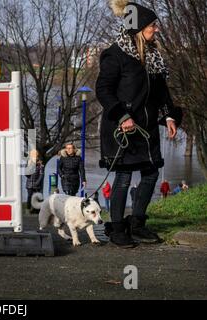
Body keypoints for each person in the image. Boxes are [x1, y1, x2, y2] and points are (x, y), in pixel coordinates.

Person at [96, 1, 182, 248]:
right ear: (139, 27)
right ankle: (118, 229)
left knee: (151, 173)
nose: (156, 29)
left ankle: (137, 224)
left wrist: (168, 116)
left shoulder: (153, 56)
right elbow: (103, 89)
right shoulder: (115, 54)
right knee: (123, 177)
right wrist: (123, 116)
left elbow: (161, 92)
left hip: (147, 128)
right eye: (153, 25)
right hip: (121, 126)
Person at [25, 150, 45, 214]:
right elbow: (27, 174)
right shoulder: (28, 163)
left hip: (37, 184)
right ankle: (28, 209)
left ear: (37, 155)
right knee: (29, 196)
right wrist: (31, 165)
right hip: (29, 184)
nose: (34, 155)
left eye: (35, 154)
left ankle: (37, 210)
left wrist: (37, 183)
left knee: (37, 197)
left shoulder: (40, 164)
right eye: (32, 154)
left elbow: (41, 174)